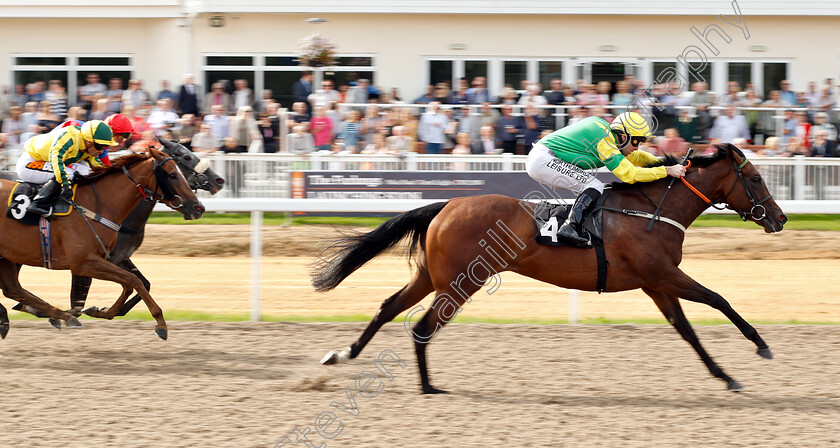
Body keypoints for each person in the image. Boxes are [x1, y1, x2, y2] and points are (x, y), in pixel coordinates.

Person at [526, 111, 686, 246]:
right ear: (623, 136)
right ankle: (570, 227)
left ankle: (576, 225)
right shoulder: (604, 141)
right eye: (636, 141)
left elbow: (636, 156)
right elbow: (630, 175)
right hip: (544, 159)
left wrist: (669, 163)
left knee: (591, 187)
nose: (637, 147)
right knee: (594, 186)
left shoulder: (608, 136)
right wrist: (667, 170)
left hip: (544, 158)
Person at [17, 120, 115, 215]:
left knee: (85, 171)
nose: (102, 151)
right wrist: (65, 183)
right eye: (100, 146)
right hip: (29, 163)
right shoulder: (69, 137)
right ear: (89, 142)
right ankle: (38, 202)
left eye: (105, 147)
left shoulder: (87, 145)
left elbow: (97, 167)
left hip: (46, 161)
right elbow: (56, 159)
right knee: (68, 173)